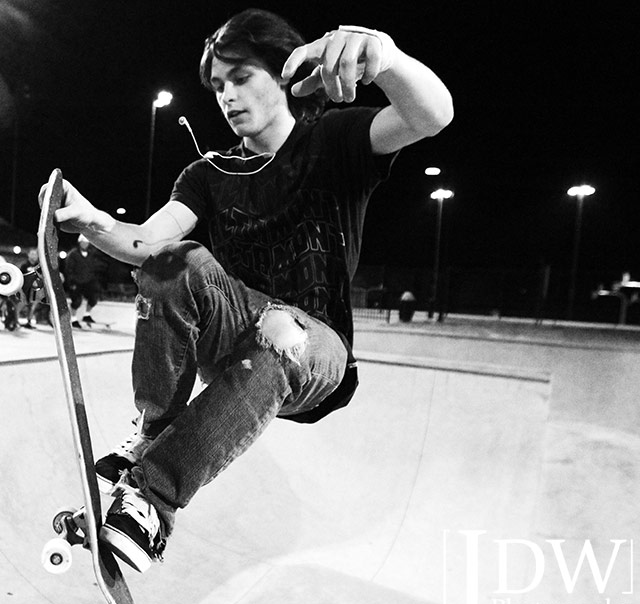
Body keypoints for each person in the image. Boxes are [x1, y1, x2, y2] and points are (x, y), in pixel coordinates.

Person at [41, 9, 453, 573]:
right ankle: (151, 437)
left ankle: (153, 500)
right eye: (217, 86)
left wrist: (384, 56)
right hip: (233, 341)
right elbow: (146, 243)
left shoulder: (334, 142)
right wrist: (92, 220)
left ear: (283, 74)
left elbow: (431, 115)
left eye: (241, 78)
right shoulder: (207, 175)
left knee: (280, 329)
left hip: (315, 352)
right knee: (176, 260)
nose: (227, 96)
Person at [63, 235, 106, 328]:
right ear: (79, 243)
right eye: (83, 243)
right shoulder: (73, 254)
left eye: (86, 243)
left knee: (93, 297)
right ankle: (73, 319)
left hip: (88, 280)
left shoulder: (91, 254)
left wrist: (94, 278)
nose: (85, 244)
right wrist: (71, 282)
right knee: (77, 301)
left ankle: (87, 315)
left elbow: (94, 267)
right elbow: (69, 269)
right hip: (76, 281)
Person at [19, 247, 43, 328]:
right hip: (25, 289)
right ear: (28, 255)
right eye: (32, 254)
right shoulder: (24, 265)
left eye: (35, 254)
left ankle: (29, 321)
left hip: (35, 290)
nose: (34, 256)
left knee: (33, 305)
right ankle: (15, 320)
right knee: (21, 304)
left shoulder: (39, 266)